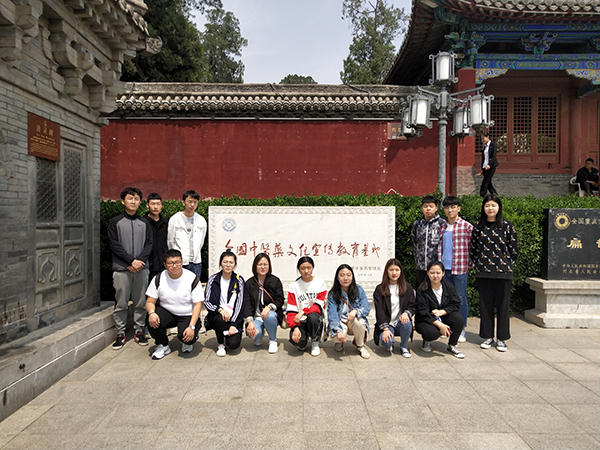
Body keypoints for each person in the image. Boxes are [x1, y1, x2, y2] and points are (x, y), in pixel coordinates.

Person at [470, 194, 519, 352]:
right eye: (487, 205)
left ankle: (502, 339)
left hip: (503, 273)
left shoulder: (507, 226)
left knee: (503, 307)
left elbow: (514, 249)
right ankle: (488, 336)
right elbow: (474, 249)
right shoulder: (478, 227)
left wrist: (507, 264)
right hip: (483, 272)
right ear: (483, 208)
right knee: (485, 306)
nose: (490, 208)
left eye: (493, 205)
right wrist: (479, 264)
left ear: (499, 207)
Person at [107, 187, 153, 350]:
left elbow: (149, 244)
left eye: (136, 199)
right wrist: (131, 261)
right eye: (130, 198)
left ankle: (139, 331)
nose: (133, 201)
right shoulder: (115, 222)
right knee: (121, 303)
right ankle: (120, 333)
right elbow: (114, 244)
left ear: (140, 202)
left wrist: (139, 261)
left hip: (142, 268)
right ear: (123, 201)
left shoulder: (145, 222)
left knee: (141, 302)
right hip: (121, 269)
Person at [145, 249, 203, 359]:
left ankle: (187, 340)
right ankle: (163, 345)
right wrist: (151, 313)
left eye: (177, 262)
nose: (174, 266)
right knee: (152, 320)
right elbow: (150, 301)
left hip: (187, 314)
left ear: (182, 262)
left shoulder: (191, 278)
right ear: (165, 264)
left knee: (186, 338)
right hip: (168, 311)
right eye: (170, 263)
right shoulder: (159, 278)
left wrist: (192, 326)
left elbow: (197, 305)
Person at [437, 196, 473, 343]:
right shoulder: (443, 226)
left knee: (461, 299)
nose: (450, 210)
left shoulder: (467, 226)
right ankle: (447, 327)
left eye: (453, 207)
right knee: (446, 300)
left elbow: (473, 248)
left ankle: (461, 329)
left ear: (458, 208)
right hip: (444, 269)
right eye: (447, 207)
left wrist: (469, 265)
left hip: (460, 268)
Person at [415, 260, 465, 359]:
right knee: (432, 333)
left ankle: (452, 345)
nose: (435, 276)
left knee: (458, 319)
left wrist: (443, 311)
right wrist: (440, 325)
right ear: (427, 273)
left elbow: (456, 303)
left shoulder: (449, 287)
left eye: (438, 273)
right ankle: (427, 340)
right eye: (432, 272)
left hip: (444, 316)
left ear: (443, 273)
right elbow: (422, 311)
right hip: (426, 319)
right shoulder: (422, 289)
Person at [204, 250, 245, 356]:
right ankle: (220, 343)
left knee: (233, 344)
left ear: (235, 264)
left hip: (234, 316)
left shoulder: (239, 280)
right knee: (220, 319)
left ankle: (227, 335)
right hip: (218, 315)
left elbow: (240, 304)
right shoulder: (213, 279)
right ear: (220, 263)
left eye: (231, 262)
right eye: (225, 262)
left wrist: (234, 324)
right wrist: (220, 310)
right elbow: (207, 301)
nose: (228, 265)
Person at [373, 258, 415, 358]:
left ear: (401, 271)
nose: (394, 273)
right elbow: (379, 311)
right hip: (387, 324)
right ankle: (389, 343)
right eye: (391, 270)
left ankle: (404, 346)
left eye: (397, 270)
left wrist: (406, 313)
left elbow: (413, 305)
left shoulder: (407, 287)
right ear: (386, 271)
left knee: (407, 322)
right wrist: (385, 329)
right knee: (387, 343)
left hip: (401, 323)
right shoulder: (380, 289)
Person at [327, 264, 371, 359]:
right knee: (335, 336)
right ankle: (339, 342)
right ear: (337, 277)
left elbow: (366, 307)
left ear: (352, 276)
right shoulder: (333, 294)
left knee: (360, 322)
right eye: (342, 275)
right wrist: (338, 330)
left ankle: (360, 345)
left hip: (353, 322)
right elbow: (332, 314)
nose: (345, 278)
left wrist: (356, 311)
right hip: (340, 321)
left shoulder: (359, 290)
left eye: (348, 275)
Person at [244, 253, 285, 354]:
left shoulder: (275, 281)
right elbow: (246, 304)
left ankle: (272, 340)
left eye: (265, 264)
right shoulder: (249, 283)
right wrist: (250, 322)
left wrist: (269, 307)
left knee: (269, 316)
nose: (263, 267)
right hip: (256, 317)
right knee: (252, 334)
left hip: (271, 314)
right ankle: (260, 332)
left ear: (269, 266)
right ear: (255, 266)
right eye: (260, 264)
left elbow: (280, 299)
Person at [286, 256, 327, 356]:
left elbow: (318, 306)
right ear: (298, 269)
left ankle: (315, 341)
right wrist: (295, 327)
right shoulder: (294, 286)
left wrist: (303, 311)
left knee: (312, 316)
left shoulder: (320, 283)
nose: (306, 271)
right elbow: (291, 310)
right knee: (297, 340)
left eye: (309, 268)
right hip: (300, 320)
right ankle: (303, 342)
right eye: (302, 268)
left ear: (313, 268)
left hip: (315, 319)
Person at [167, 190, 207, 279]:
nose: (192, 205)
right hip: (179, 261)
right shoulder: (175, 219)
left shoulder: (201, 220)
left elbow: (201, 241)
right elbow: (170, 241)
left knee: (194, 285)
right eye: (190, 201)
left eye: (195, 202)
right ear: (183, 202)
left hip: (196, 261)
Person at [412, 195, 444, 286]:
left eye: (431, 206)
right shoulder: (418, 224)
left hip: (436, 266)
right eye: (426, 206)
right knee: (422, 288)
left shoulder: (441, 223)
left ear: (436, 208)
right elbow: (414, 242)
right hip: (421, 266)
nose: (428, 209)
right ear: (422, 208)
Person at [143, 193, 168, 283]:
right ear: (147, 205)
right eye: (153, 204)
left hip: (163, 264)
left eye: (158, 204)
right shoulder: (142, 223)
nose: (156, 207)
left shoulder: (166, 223)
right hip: (147, 264)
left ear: (161, 205)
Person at [479, 132, 499, 197]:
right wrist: (482, 168)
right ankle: (496, 196)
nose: (482, 140)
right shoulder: (484, 147)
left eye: (483, 138)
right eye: (481, 139)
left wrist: (489, 165)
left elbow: (493, 157)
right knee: (489, 184)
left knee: (485, 183)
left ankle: (482, 196)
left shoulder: (493, 145)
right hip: (485, 167)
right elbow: (483, 158)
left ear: (487, 137)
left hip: (491, 167)